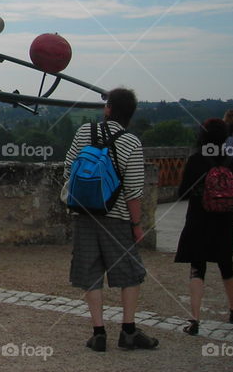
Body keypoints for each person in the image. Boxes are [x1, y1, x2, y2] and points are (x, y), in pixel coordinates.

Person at [64, 87, 157, 352]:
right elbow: (134, 191)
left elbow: (69, 168)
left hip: (83, 213)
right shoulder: (132, 142)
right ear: (130, 114)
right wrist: (136, 225)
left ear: (108, 109)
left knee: (90, 273)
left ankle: (98, 333)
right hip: (115, 217)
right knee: (130, 272)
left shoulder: (85, 132)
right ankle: (128, 331)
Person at [174, 118, 233, 335]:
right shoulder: (231, 163)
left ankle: (195, 320)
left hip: (199, 219)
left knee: (197, 268)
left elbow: (182, 193)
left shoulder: (196, 160)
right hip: (224, 221)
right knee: (226, 265)